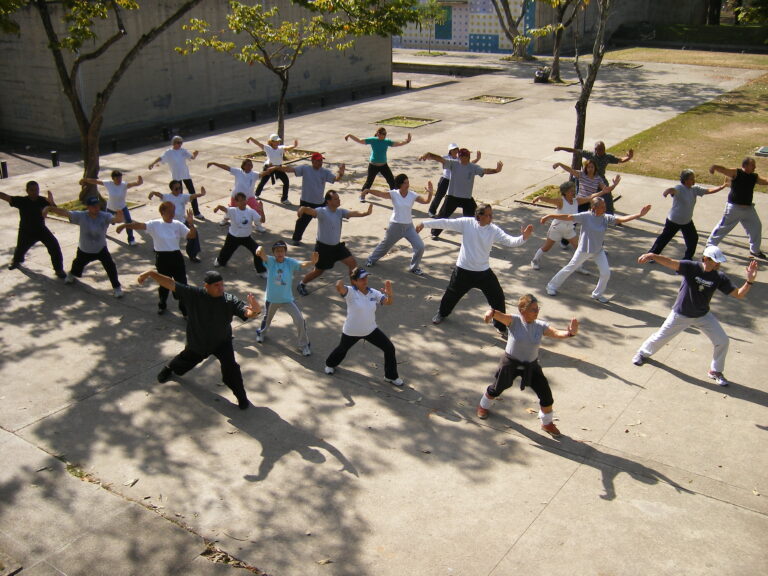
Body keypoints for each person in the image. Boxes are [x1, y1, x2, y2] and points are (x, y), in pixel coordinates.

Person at [632, 246, 758, 387]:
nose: (717, 264)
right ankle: (642, 354)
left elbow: (738, 294)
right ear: (705, 258)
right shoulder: (691, 267)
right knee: (661, 336)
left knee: (722, 341)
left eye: (719, 262)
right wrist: (652, 255)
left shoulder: (719, 277)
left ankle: (715, 371)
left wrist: (749, 281)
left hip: (703, 315)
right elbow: (670, 262)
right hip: (681, 313)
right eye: (714, 261)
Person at [138, 269, 262, 410]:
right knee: (185, 360)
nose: (220, 288)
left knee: (231, 369)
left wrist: (255, 310)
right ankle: (169, 368)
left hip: (222, 342)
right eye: (216, 285)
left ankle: (241, 397)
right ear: (206, 286)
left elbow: (248, 312)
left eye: (222, 284)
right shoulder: (194, 294)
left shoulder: (229, 300)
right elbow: (170, 283)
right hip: (199, 341)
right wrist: (150, 273)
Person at [416, 204, 533, 337]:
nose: (491, 218)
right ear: (479, 216)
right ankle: (442, 314)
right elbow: (446, 223)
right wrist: (424, 224)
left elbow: (510, 241)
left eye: (491, 215)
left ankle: (500, 326)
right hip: (463, 271)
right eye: (488, 215)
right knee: (451, 296)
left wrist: (523, 238)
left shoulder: (493, 230)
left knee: (498, 297)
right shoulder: (467, 223)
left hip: (483, 273)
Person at [476, 294, 579, 438]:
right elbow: (496, 314)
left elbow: (556, 333)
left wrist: (570, 333)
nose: (536, 312)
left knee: (546, 396)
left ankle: (547, 423)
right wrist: (489, 314)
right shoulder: (514, 320)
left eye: (537, 309)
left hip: (531, 366)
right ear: (522, 310)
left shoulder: (540, 326)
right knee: (497, 388)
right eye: (533, 309)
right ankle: (483, 406)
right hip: (510, 363)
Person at [543, 197, 651, 302]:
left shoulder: (605, 218)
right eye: (602, 206)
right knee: (569, 268)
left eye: (605, 206)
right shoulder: (586, 216)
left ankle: (597, 294)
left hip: (598, 251)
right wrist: (550, 216)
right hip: (584, 250)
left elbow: (620, 219)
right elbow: (568, 216)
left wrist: (639, 215)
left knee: (606, 273)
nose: (605, 208)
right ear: (594, 207)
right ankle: (551, 286)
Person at [324, 267, 403, 386]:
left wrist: (390, 295)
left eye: (366, 277)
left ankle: (390, 376)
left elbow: (387, 302)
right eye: (361, 279)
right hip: (352, 331)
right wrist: (339, 281)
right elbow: (340, 287)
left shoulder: (373, 292)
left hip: (370, 329)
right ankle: (330, 364)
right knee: (342, 349)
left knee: (389, 348)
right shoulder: (350, 292)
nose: (365, 280)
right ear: (354, 281)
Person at [117, 201, 197, 316]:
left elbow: (191, 235)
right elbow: (139, 225)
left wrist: (191, 224)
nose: (172, 214)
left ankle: (184, 309)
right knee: (164, 284)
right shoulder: (155, 224)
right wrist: (125, 225)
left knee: (182, 284)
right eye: (170, 211)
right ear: (162, 212)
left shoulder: (177, 224)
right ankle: (162, 304)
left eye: (173, 211)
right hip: (162, 258)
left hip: (176, 257)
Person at [296, 190, 373, 296]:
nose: (338, 200)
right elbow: (311, 211)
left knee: (353, 264)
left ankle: (354, 291)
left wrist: (365, 213)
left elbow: (352, 213)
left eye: (338, 198)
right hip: (323, 248)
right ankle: (302, 284)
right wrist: (303, 208)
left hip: (337, 247)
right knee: (318, 271)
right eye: (335, 199)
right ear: (328, 201)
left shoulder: (339, 212)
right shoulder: (322, 211)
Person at [48, 197, 124, 297]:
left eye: (97, 206)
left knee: (110, 267)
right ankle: (71, 275)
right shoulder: (81, 216)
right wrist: (50, 207)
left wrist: (119, 211)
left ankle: (116, 288)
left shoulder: (104, 216)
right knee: (77, 264)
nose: (96, 208)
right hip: (84, 249)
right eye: (93, 206)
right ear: (88, 207)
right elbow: (65, 213)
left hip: (100, 249)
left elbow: (118, 219)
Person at [418, 148, 503, 238]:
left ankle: (478, 233)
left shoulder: (473, 167)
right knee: (442, 216)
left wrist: (496, 170)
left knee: (476, 217)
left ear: (468, 157)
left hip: (466, 198)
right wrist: (428, 154)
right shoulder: (453, 164)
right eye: (460, 156)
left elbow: (485, 171)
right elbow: (440, 159)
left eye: (463, 156)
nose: (460, 158)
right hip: (452, 197)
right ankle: (434, 232)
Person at [255, 241, 318, 356]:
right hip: (272, 299)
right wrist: (259, 248)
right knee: (267, 320)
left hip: (287, 299)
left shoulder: (290, 262)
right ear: (273, 253)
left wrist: (312, 262)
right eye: (277, 251)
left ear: (285, 252)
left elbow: (301, 264)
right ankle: (261, 333)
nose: (280, 253)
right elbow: (262, 255)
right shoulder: (270, 261)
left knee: (299, 320)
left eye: (282, 250)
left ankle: (304, 345)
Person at [530, 180, 611, 270]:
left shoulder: (577, 201)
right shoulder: (561, 201)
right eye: (571, 191)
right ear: (565, 192)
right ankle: (535, 260)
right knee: (546, 247)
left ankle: (578, 266)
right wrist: (538, 197)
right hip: (557, 228)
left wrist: (603, 191)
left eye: (574, 190)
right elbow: (549, 200)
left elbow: (590, 197)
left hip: (569, 229)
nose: (573, 192)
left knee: (579, 248)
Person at [649, 169, 728, 261]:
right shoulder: (679, 188)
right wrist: (667, 192)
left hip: (687, 221)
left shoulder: (695, 189)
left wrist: (722, 186)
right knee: (664, 239)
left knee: (693, 239)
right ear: (685, 180)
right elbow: (672, 190)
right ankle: (651, 256)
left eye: (694, 178)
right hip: (674, 221)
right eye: (692, 179)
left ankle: (688, 258)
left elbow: (709, 190)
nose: (694, 180)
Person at [363, 174, 433, 276]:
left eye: (408, 182)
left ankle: (414, 268)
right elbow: (380, 194)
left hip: (409, 227)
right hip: (395, 226)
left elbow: (426, 201)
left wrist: (430, 193)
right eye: (405, 183)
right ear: (400, 184)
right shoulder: (394, 194)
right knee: (385, 246)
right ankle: (371, 259)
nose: (407, 184)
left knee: (420, 246)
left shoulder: (412, 195)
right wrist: (368, 190)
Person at [271, 153, 345, 246]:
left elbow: (336, 179)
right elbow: (290, 169)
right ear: (312, 161)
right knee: (302, 222)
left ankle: (334, 241)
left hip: (320, 202)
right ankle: (296, 239)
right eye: (318, 160)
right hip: (306, 201)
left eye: (321, 160)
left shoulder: (325, 172)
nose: (320, 162)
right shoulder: (305, 169)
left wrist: (340, 173)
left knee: (330, 219)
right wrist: (276, 167)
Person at [1, 180, 66, 278]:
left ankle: (58, 269)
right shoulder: (22, 201)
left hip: (41, 230)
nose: (35, 192)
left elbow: (55, 210)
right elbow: (6, 197)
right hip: (26, 231)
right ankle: (16, 261)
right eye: (32, 190)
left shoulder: (43, 200)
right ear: (27, 191)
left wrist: (52, 203)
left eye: (36, 190)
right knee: (20, 249)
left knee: (54, 245)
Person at [706, 157, 768, 259]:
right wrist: (714, 167)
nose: (755, 167)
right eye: (753, 165)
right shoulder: (736, 173)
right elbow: (724, 170)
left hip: (748, 209)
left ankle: (755, 250)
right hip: (733, 208)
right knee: (722, 228)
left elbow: (764, 181)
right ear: (746, 166)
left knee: (756, 227)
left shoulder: (754, 176)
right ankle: (709, 247)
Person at [554, 140, 633, 213]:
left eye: (601, 149)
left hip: (599, 179)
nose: (599, 151)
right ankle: (576, 207)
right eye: (597, 149)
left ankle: (610, 215)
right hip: (587, 179)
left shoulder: (607, 157)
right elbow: (575, 151)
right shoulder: (590, 155)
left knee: (607, 197)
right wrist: (561, 148)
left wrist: (629, 157)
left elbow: (620, 160)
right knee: (582, 193)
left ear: (604, 149)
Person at [345, 127, 411, 201]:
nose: (384, 135)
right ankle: (362, 195)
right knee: (369, 182)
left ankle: (395, 196)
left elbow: (398, 144)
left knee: (391, 181)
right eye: (383, 134)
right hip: (373, 165)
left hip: (383, 165)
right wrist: (350, 135)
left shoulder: (386, 141)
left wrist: (407, 141)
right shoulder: (373, 140)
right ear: (378, 134)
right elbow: (360, 141)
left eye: (385, 134)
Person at [80, 171, 143, 245]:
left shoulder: (124, 185)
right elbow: (96, 181)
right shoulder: (109, 184)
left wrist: (139, 182)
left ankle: (131, 240)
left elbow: (135, 184)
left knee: (128, 222)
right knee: (105, 222)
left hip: (122, 208)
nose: (119, 180)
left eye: (120, 178)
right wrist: (85, 179)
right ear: (113, 178)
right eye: (117, 178)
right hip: (110, 208)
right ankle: (102, 235)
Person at [211, 192, 268, 275]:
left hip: (246, 238)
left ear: (246, 200)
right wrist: (218, 207)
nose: (242, 202)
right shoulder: (233, 210)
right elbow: (224, 208)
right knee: (226, 251)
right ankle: (220, 261)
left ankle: (261, 271)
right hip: (233, 237)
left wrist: (261, 211)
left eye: (244, 200)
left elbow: (262, 221)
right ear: (236, 202)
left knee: (257, 251)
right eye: (240, 201)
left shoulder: (251, 212)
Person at [148, 180, 206, 262]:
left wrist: (201, 194)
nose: (178, 190)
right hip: (169, 223)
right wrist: (153, 192)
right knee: (163, 236)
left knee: (193, 235)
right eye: (176, 189)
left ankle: (192, 255)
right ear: (172, 189)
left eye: (180, 188)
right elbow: (159, 194)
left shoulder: (182, 197)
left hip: (182, 222)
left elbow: (192, 196)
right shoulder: (167, 197)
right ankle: (158, 248)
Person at [148, 135, 204, 219]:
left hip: (185, 175)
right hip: (176, 177)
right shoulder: (169, 152)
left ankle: (196, 212)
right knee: (179, 196)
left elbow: (192, 157)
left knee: (192, 193)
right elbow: (161, 158)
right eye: (178, 142)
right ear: (173, 143)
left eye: (181, 142)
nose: (180, 144)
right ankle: (181, 213)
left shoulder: (183, 151)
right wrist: (153, 163)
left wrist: (195, 154)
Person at [206, 159, 267, 231]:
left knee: (258, 210)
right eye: (248, 164)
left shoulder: (254, 174)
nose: (250, 166)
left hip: (250, 197)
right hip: (237, 197)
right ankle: (225, 220)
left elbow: (264, 173)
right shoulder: (238, 171)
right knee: (231, 210)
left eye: (251, 164)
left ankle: (258, 225)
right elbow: (226, 167)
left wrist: (274, 168)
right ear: (243, 166)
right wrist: (214, 163)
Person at [427, 144, 480, 217]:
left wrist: (477, 159)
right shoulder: (446, 157)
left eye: (456, 149)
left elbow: (468, 164)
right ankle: (431, 211)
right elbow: (437, 158)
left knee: (449, 198)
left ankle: (443, 212)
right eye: (453, 150)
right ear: (450, 151)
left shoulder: (459, 158)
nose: (455, 151)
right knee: (439, 196)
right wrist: (426, 156)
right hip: (445, 179)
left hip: (454, 181)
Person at [552, 160, 621, 214]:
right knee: (574, 218)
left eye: (592, 167)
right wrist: (560, 164)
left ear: (595, 168)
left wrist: (614, 185)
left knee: (578, 218)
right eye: (588, 167)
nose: (590, 169)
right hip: (579, 200)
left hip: (589, 202)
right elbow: (570, 170)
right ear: (586, 168)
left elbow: (606, 190)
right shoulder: (582, 175)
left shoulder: (598, 179)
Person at [247, 134, 298, 204]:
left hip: (278, 168)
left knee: (286, 181)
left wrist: (294, 146)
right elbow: (259, 144)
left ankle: (284, 199)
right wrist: (251, 138)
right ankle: (256, 194)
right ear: (271, 142)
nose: (278, 142)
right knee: (263, 182)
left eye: (278, 141)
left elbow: (288, 147)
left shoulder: (280, 148)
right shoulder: (268, 148)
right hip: (269, 167)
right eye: (276, 141)